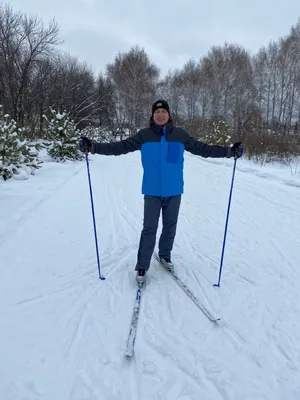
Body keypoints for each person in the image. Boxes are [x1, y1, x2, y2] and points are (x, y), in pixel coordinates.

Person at [79, 99, 243, 286]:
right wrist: (92, 147)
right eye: (157, 112)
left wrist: (230, 152)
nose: (160, 115)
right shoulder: (144, 136)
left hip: (174, 191)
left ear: (169, 114)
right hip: (152, 191)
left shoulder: (180, 135)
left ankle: (165, 256)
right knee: (149, 228)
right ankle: (142, 266)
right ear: (152, 115)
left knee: (170, 226)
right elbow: (119, 147)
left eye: (164, 111)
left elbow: (203, 149)